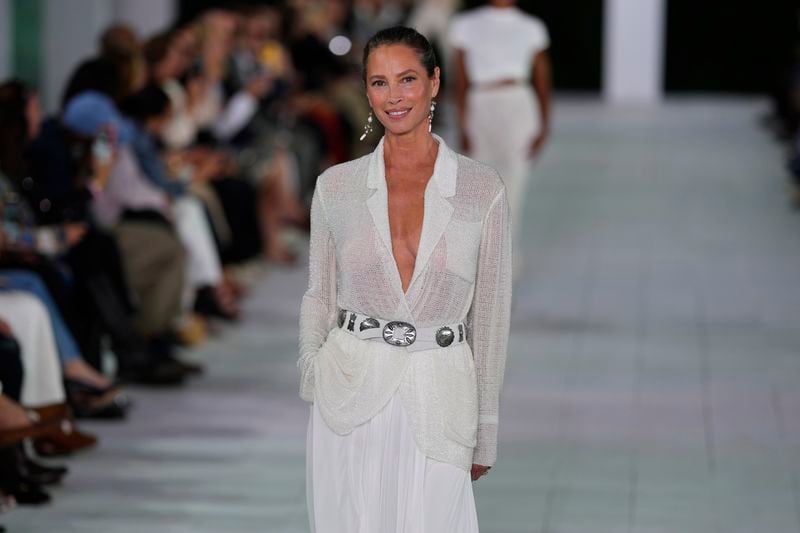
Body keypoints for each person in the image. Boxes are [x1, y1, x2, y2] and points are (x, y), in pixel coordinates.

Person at [298, 26, 512, 532]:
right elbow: (319, 293)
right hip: (350, 392)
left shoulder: (481, 190)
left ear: (435, 82)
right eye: (378, 83)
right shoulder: (337, 187)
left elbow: (491, 315)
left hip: (441, 390)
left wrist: (487, 427)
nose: (393, 97)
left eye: (407, 79)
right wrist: (313, 371)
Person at [449, 0, 551, 276]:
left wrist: (544, 124)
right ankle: (480, 265)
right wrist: (462, 122)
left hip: (518, 101)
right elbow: (459, 78)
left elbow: (542, 76)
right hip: (481, 102)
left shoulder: (531, 27)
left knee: (514, 187)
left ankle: (506, 266)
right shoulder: (465, 24)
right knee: (479, 188)